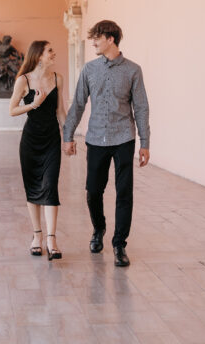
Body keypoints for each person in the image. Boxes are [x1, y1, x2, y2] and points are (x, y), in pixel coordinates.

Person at [63, 20, 150, 267]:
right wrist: (68, 135)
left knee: (124, 193)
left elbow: (141, 108)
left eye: (97, 38)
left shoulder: (133, 70)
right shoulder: (89, 70)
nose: (93, 42)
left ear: (110, 39)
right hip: (96, 138)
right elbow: (78, 104)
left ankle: (119, 244)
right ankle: (98, 229)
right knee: (93, 191)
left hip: (124, 138)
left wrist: (145, 142)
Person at [9, 40, 68, 262]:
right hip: (31, 141)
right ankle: (37, 236)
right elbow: (12, 110)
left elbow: (61, 111)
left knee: (50, 185)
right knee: (33, 187)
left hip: (52, 139)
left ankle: (51, 239)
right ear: (39, 55)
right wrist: (34, 104)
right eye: (49, 51)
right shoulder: (23, 81)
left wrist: (68, 136)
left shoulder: (57, 79)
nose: (53, 53)